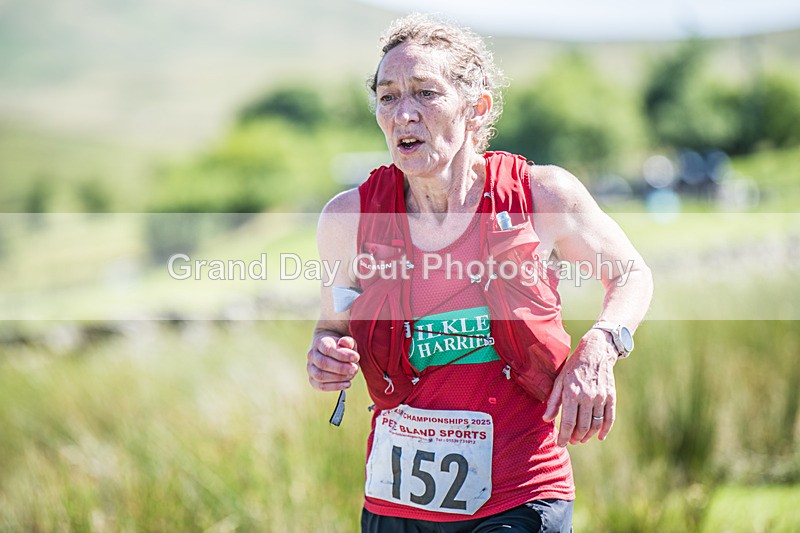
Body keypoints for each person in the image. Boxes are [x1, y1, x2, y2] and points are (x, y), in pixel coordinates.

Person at [306, 13, 653, 533]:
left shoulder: (542, 195)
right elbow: (332, 327)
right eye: (388, 96)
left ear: (476, 108)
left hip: (519, 496)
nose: (404, 114)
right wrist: (324, 357)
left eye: (425, 93)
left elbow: (631, 276)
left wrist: (601, 345)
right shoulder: (348, 219)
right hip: (393, 503)